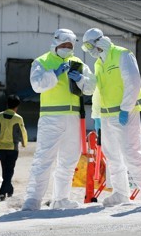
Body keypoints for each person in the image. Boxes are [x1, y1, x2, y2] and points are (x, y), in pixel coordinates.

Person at [22, 28, 96, 211]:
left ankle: (61, 199)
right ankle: (32, 199)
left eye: (69, 45)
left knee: (69, 160)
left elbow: (91, 87)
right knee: (43, 159)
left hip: (73, 118)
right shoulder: (42, 61)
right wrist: (54, 74)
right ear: (55, 43)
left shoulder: (78, 63)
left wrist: (81, 79)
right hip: (51, 117)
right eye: (63, 44)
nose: (66, 48)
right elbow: (37, 85)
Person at [81, 28, 141, 206]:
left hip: (125, 113)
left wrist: (125, 108)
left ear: (100, 41)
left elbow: (133, 81)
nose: (91, 51)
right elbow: (99, 91)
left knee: (130, 152)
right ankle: (121, 193)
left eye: (91, 46)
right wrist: (97, 115)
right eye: (87, 47)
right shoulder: (99, 63)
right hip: (106, 116)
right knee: (112, 155)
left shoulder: (122, 54)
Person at [0, 94, 28, 201]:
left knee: (5, 169)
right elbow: (23, 132)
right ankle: (3, 191)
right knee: (10, 170)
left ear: (7, 104)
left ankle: (9, 190)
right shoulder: (18, 118)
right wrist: (24, 143)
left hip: (1, 148)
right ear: (17, 106)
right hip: (13, 149)